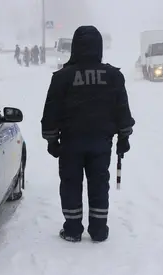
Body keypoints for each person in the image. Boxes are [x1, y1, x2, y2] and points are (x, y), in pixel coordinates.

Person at [40, 25, 135, 243]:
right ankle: (99, 230)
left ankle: (73, 230)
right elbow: (122, 110)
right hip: (101, 143)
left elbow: (51, 112)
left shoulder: (63, 77)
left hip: (71, 143)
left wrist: (51, 140)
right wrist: (124, 137)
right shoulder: (113, 76)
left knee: (71, 184)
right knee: (99, 184)